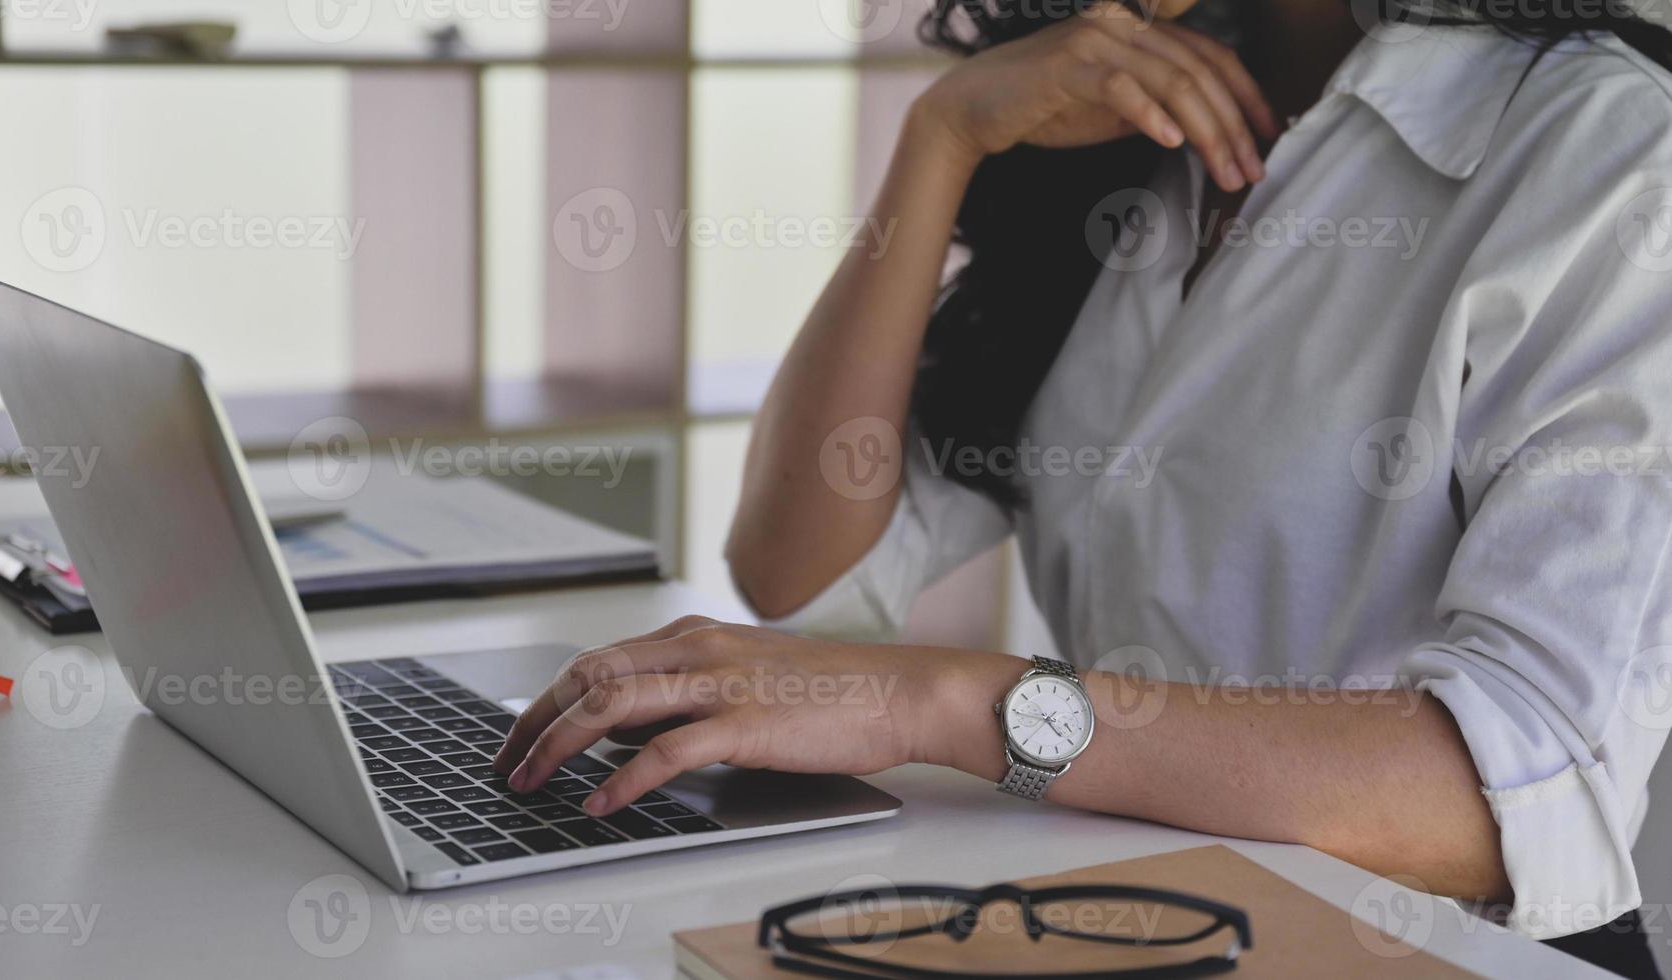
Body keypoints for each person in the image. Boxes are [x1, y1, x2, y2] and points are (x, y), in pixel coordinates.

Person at [497, 1, 1672, 974]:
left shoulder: (1611, 154)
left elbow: (1508, 789)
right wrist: (942, 139)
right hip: (1144, 915)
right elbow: (800, 562)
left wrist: (942, 704)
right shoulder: (1126, 112)